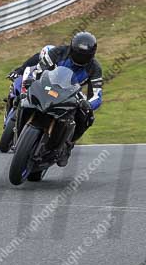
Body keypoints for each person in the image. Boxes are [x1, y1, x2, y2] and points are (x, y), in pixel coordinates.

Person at [8, 31, 103, 166]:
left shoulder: (94, 68)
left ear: (91, 55)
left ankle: (68, 144)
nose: (80, 58)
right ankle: (16, 129)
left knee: (86, 116)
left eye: (84, 56)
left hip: (70, 93)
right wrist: (31, 79)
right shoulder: (58, 52)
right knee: (22, 98)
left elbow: (97, 94)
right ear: (72, 48)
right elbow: (39, 69)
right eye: (78, 53)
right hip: (48, 86)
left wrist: (88, 104)